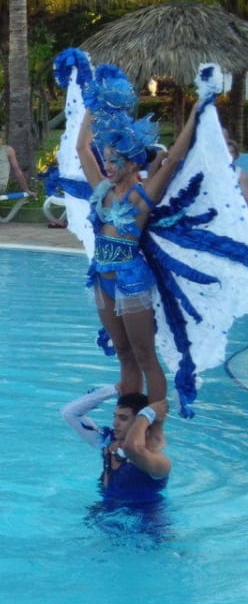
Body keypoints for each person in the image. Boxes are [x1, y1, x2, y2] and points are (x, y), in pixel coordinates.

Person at [76, 82, 198, 412]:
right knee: (124, 354)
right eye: (106, 160)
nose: (107, 166)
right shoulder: (102, 190)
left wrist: (198, 108)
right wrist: (92, 105)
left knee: (144, 355)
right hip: (101, 277)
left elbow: (173, 159)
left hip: (130, 280)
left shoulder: (141, 196)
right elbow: (82, 148)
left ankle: (154, 425)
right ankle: (127, 415)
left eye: (114, 161)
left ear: (131, 164)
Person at [61, 387, 169, 502]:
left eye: (123, 418)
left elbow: (132, 449)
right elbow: (69, 413)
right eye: (115, 416)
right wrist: (113, 390)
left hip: (142, 514)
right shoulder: (107, 441)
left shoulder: (156, 460)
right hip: (102, 510)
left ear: (139, 422)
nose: (115, 423)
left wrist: (147, 414)